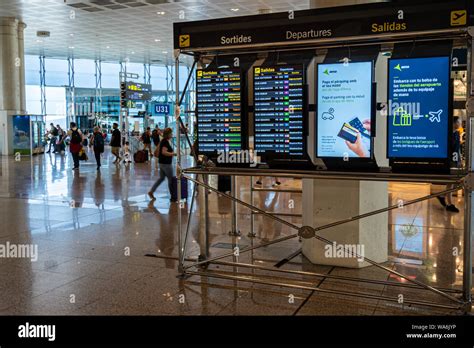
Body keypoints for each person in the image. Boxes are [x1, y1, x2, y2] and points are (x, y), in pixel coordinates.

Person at [436, 117, 462, 213]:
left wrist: (459, 160)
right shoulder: (447, 133)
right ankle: (449, 204)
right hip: (450, 161)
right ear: (454, 122)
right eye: (459, 122)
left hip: (455, 160)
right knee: (451, 182)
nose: (460, 124)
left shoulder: (457, 133)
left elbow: (457, 148)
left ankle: (443, 197)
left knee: (452, 182)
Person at [148, 128, 176, 202]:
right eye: (171, 133)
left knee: (161, 178)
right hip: (166, 164)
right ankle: (173, 197)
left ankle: (151, 191)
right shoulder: (165, 142)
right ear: (168, 134)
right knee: (171, 180)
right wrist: (173, 154)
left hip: (161, 163)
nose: (172, 134)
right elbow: (164, 152)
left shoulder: (163, 141)